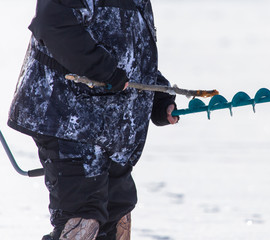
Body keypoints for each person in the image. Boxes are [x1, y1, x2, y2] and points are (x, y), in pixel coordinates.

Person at [7, 0, 179, 239]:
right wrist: (105, 70)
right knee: (82, 222)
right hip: (67, 120)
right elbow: (52, 24)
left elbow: (132, 54)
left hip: (114, 131)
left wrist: (158, 97)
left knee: (117, 219)